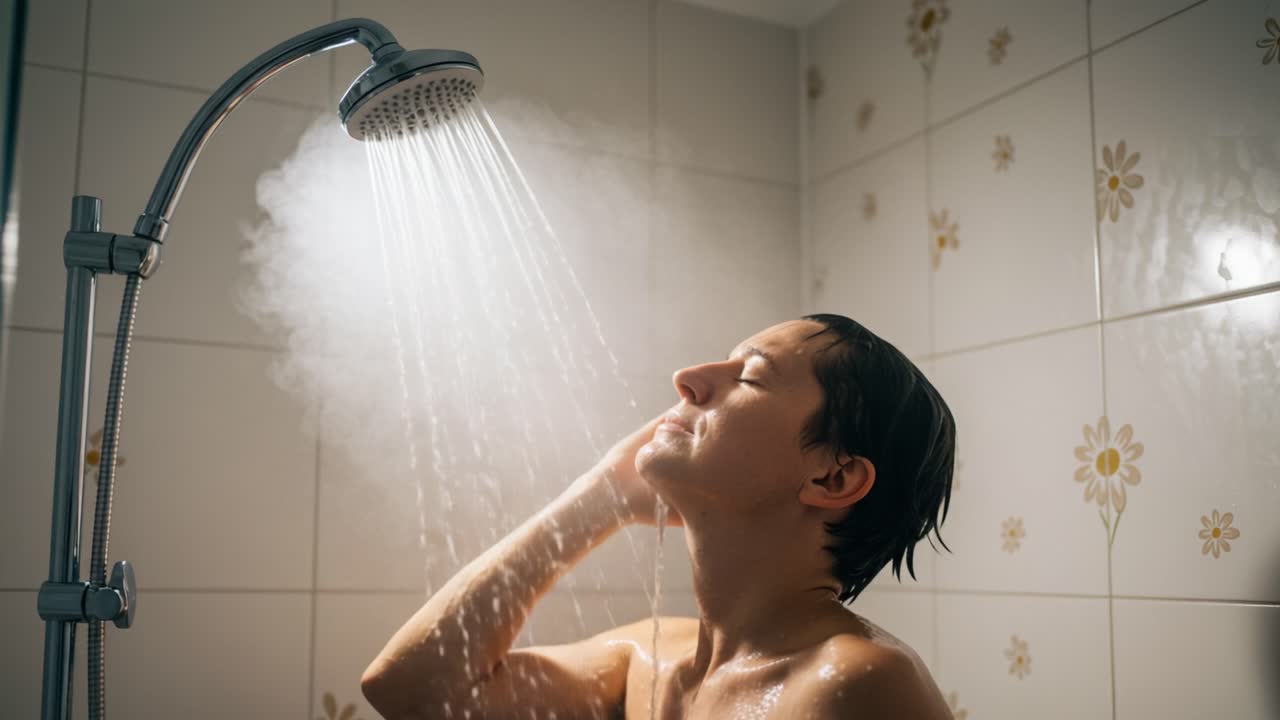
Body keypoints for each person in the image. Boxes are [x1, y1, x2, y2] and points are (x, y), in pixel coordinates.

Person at [361, 314, 957, 719]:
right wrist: (599, 498)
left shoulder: (860, 682)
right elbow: (412, 691)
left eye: (748, 376)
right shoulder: (650, 657)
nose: (689, 380)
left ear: (833, 477)